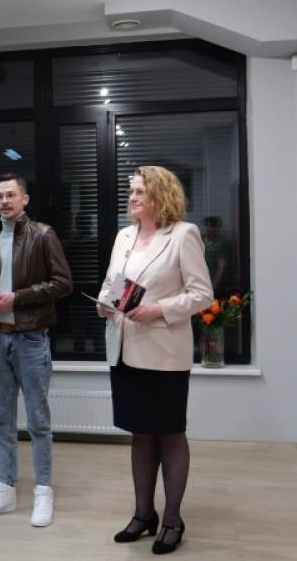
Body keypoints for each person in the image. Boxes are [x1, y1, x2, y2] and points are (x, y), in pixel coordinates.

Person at [99, 166, 212, 555]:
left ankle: (173, 520)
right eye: (130, 191)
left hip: (164, 354)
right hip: (124, 350)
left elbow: (202, 295)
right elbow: (114, 284)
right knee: (141, 433)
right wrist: (105, 303)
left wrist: (158, 309)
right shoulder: (124, 236)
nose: (131, 197)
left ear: (161, 195)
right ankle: (143, 514)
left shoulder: (183, 234)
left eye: (139, 191)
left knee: (169, 434)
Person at [0, 174, 72, 528]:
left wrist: (18, 297)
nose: (5, 201)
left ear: (25, 198)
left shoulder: (43, 235)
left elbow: (63, 283)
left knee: (38, 421)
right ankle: (5, 489)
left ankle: (43, 491)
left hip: (31, 339)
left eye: (11, 195)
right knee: (2, 420)